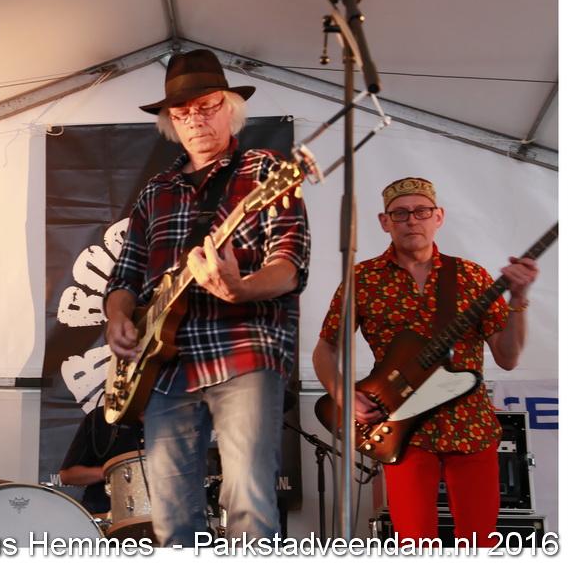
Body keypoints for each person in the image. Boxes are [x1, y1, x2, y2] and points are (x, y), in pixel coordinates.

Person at [104, 49, 310, 545]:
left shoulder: (267, 171)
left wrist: (240, 288)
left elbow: (289, 266)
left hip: (242, 351)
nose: (195, 120)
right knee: (171, 517)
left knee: (249, 503)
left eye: (206, 107)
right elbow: (125, 276)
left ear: (230, 109)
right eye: (181, 113)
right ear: (170, 123)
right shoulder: (156, 190)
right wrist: (118, 318)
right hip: (164, 367)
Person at [312, 177, 538, 545]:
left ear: (439, 217)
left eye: (421, 211)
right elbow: (326, 349)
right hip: (402, 429)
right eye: (400, 214)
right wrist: (343, 394)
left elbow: (508, 357)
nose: (411, 220)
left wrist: (519, 299)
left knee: (480, 544)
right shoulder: (363, 279)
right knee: (414, 543)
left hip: (470, 426)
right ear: (385, 222)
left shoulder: (470, 275)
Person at [59, 405, 144, 516]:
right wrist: (113, 472)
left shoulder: (166, 417)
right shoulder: (101, 417)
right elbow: (67, 475)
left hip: (158, 511)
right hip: (104, 512)